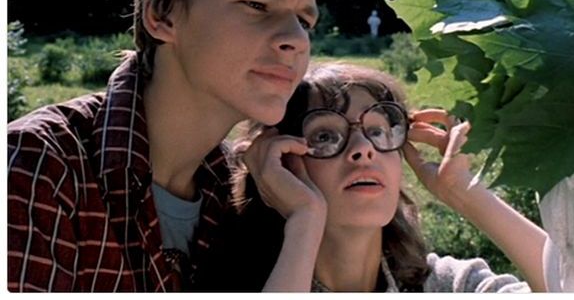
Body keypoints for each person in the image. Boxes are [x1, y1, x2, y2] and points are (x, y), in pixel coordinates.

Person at [7, 0, 337, 292]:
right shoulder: (36, 169)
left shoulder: (246, 191)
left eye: (304, 20)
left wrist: (307, 219)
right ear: (162, 14)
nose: (296, 39)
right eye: (257, 5)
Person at [219, 62, 555, 292]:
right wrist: (305, 218)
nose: (363, 149)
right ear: (280, 162)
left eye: (378, 131)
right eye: (325, 136)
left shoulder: (444, 285)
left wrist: (464, 192)